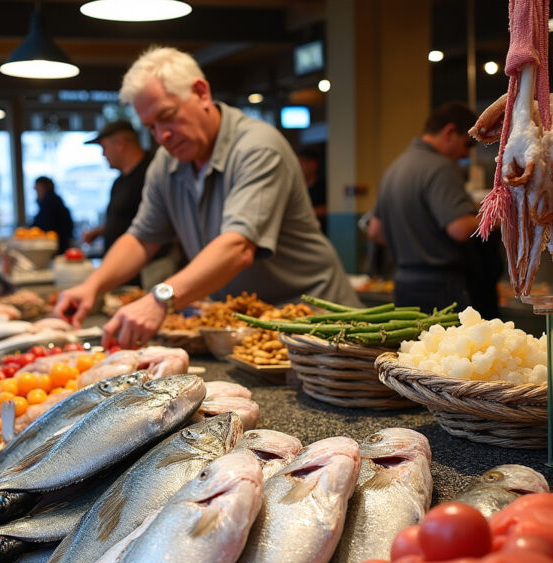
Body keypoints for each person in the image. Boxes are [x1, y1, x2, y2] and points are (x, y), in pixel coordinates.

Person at [54, 46, 357, 348]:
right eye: (151, 127)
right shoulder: (166, 162)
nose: (162, 136)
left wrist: (160, 299)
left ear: (201, 93)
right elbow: (142, 239)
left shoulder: (257, 147)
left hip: (321, 323)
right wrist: (91, 287)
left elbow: (238, 247)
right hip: (251, 329)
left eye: (167, 116)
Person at [367, 102, 480, 314]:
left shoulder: (394, 167)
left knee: (412, 347)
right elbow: (460, 228)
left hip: (403, 283)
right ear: (449, 132)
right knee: (445, 348)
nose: (466, 154)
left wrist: (414, 240)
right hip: (440, 285)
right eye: (467, 144)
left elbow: (375, 231)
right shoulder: (442, 167)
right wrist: (498, 215)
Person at [82, 120, 152, 255]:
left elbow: (153, 225)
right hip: (121, 264)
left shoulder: (152, 174)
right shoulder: (119, 182)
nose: (103, 154)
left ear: (120, 144)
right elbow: (126, 221)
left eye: (104, 148)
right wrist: (101, 231)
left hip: (145, 267)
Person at [32, 176, 74, 254]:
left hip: (53, 249)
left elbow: (41, 228)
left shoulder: (48, 203)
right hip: (61, 246)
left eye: (37, 189)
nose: (36, 193)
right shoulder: (57, 201)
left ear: (43, 187)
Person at [297, 147, 327, 233]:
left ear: (313, 164)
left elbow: (329, 209)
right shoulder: (299, 187)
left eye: (302, 162)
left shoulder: (324, 187)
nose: (298, 167)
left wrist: (307, 213)